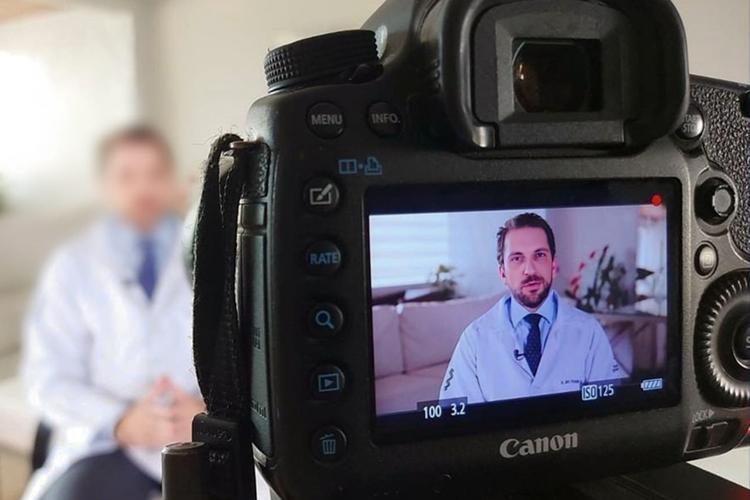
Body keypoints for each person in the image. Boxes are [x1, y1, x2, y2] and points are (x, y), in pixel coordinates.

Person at [21, 126, 203, 500]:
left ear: (173, 181)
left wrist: (207, 414)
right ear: (105, 187)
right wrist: (120, 421)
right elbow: (47, 377)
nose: (143, 188)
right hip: (108, 442)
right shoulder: (73, 264)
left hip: (203, 434)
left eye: (155, 174)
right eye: (127, 176)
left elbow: (253, 357)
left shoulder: (216, 253)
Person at [439, 212, 623, 404]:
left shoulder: (589, 331)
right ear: (503, 273)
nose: (530, 270)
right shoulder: (474, 339)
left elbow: (608, 408)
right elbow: (455, 414)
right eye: (517, 258)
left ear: (553, 265)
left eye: (540, 255)